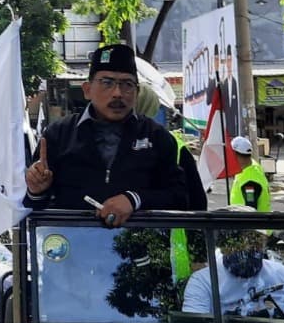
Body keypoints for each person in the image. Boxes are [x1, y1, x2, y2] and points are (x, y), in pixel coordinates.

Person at [25, 43, 190, 225]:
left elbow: (181, 198)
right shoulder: (58, 135)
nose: (117, 93)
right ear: (87, 89)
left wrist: (134, 200)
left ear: (137, 92)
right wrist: (36, 190)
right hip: (70, 248)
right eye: (107, 83)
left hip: (140, 248)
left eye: (127, 84)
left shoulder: (157, 137)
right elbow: (32, 210)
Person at [182, 230, 284, 321]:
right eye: (238, 243)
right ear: (223, 247)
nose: (248, 248)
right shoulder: (203, 281)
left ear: (264, 244)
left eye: (255, 241)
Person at [229, 135, 271, 211]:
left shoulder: (250, 182)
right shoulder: (252, 165)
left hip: (250, 222)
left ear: (235, 155)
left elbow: (251, 211)